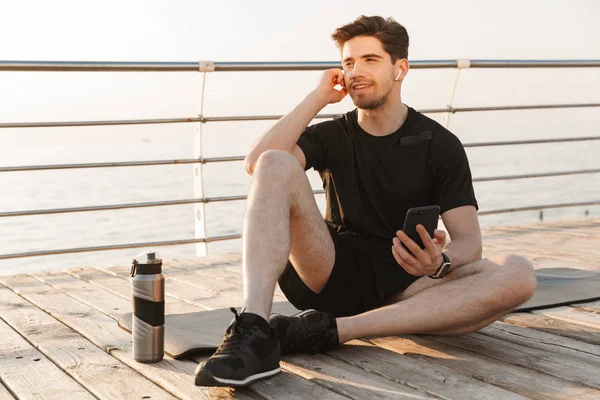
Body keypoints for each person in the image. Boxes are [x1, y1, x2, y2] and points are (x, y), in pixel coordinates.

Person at [194, 15, 537, 387]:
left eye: (370, 60)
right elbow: (256, 163)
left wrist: (441, 261)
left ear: (400, 68)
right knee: (276, 160)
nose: (356, 71)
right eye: (348, 62)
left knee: (518, 272)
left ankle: (330, 331)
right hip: (332, 269)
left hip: (407, 285)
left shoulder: (440, 145)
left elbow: (470, 240)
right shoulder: (330, 135)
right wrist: (319, 96)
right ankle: (255, 328)